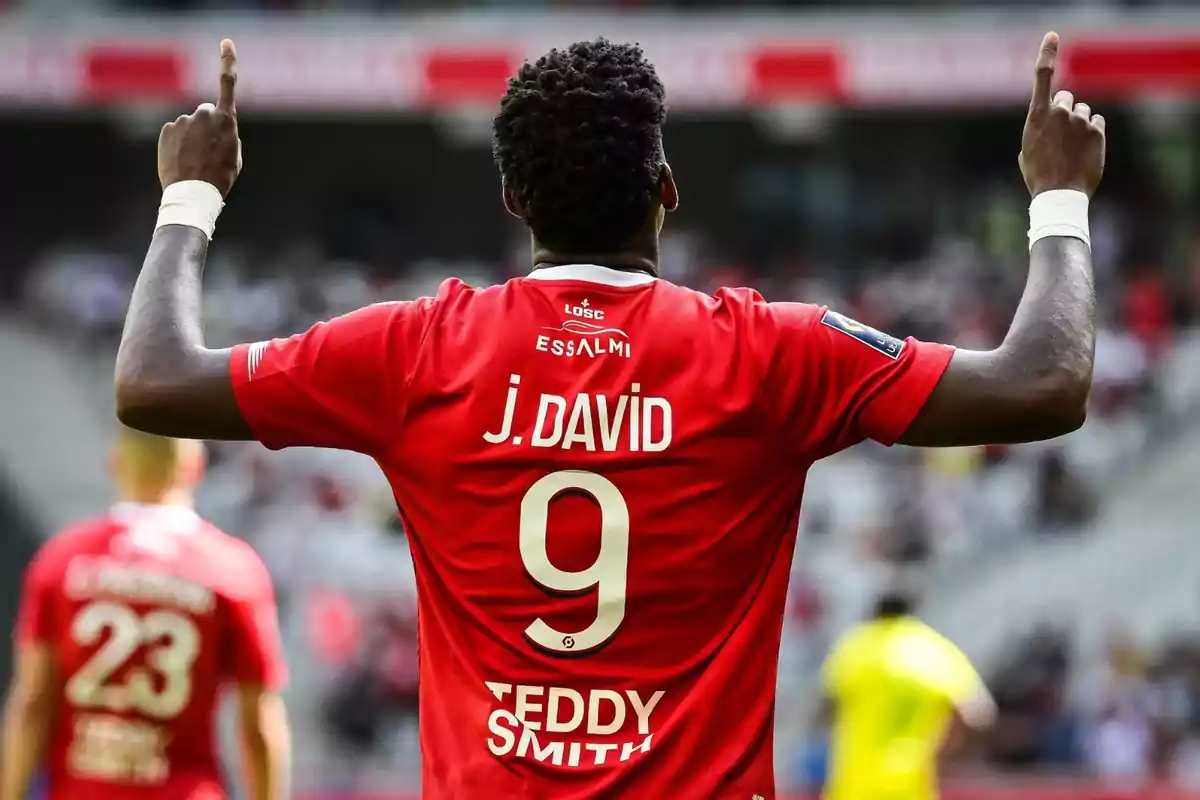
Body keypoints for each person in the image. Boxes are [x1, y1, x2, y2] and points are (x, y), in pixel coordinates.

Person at [112, 31, 1103, 798]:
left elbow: (155, 378)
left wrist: (190, 196)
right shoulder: (770, 352)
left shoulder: (413, 349)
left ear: (512, 197)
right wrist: (1059, 199)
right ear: (664, 191)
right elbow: (1041, 381)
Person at [0, 429, 290, 800]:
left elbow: (34, 702)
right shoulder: (232, 569)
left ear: (115, 465)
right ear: (195, 467)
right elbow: (259, 724)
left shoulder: (62, 561)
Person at [820, 590, 996, 800]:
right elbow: (978, 715)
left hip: (854, 785)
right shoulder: (934, 651)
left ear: (875, 614)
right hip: (912, 785)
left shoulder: (856, 647)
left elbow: (826, 710)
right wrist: (944, 757)